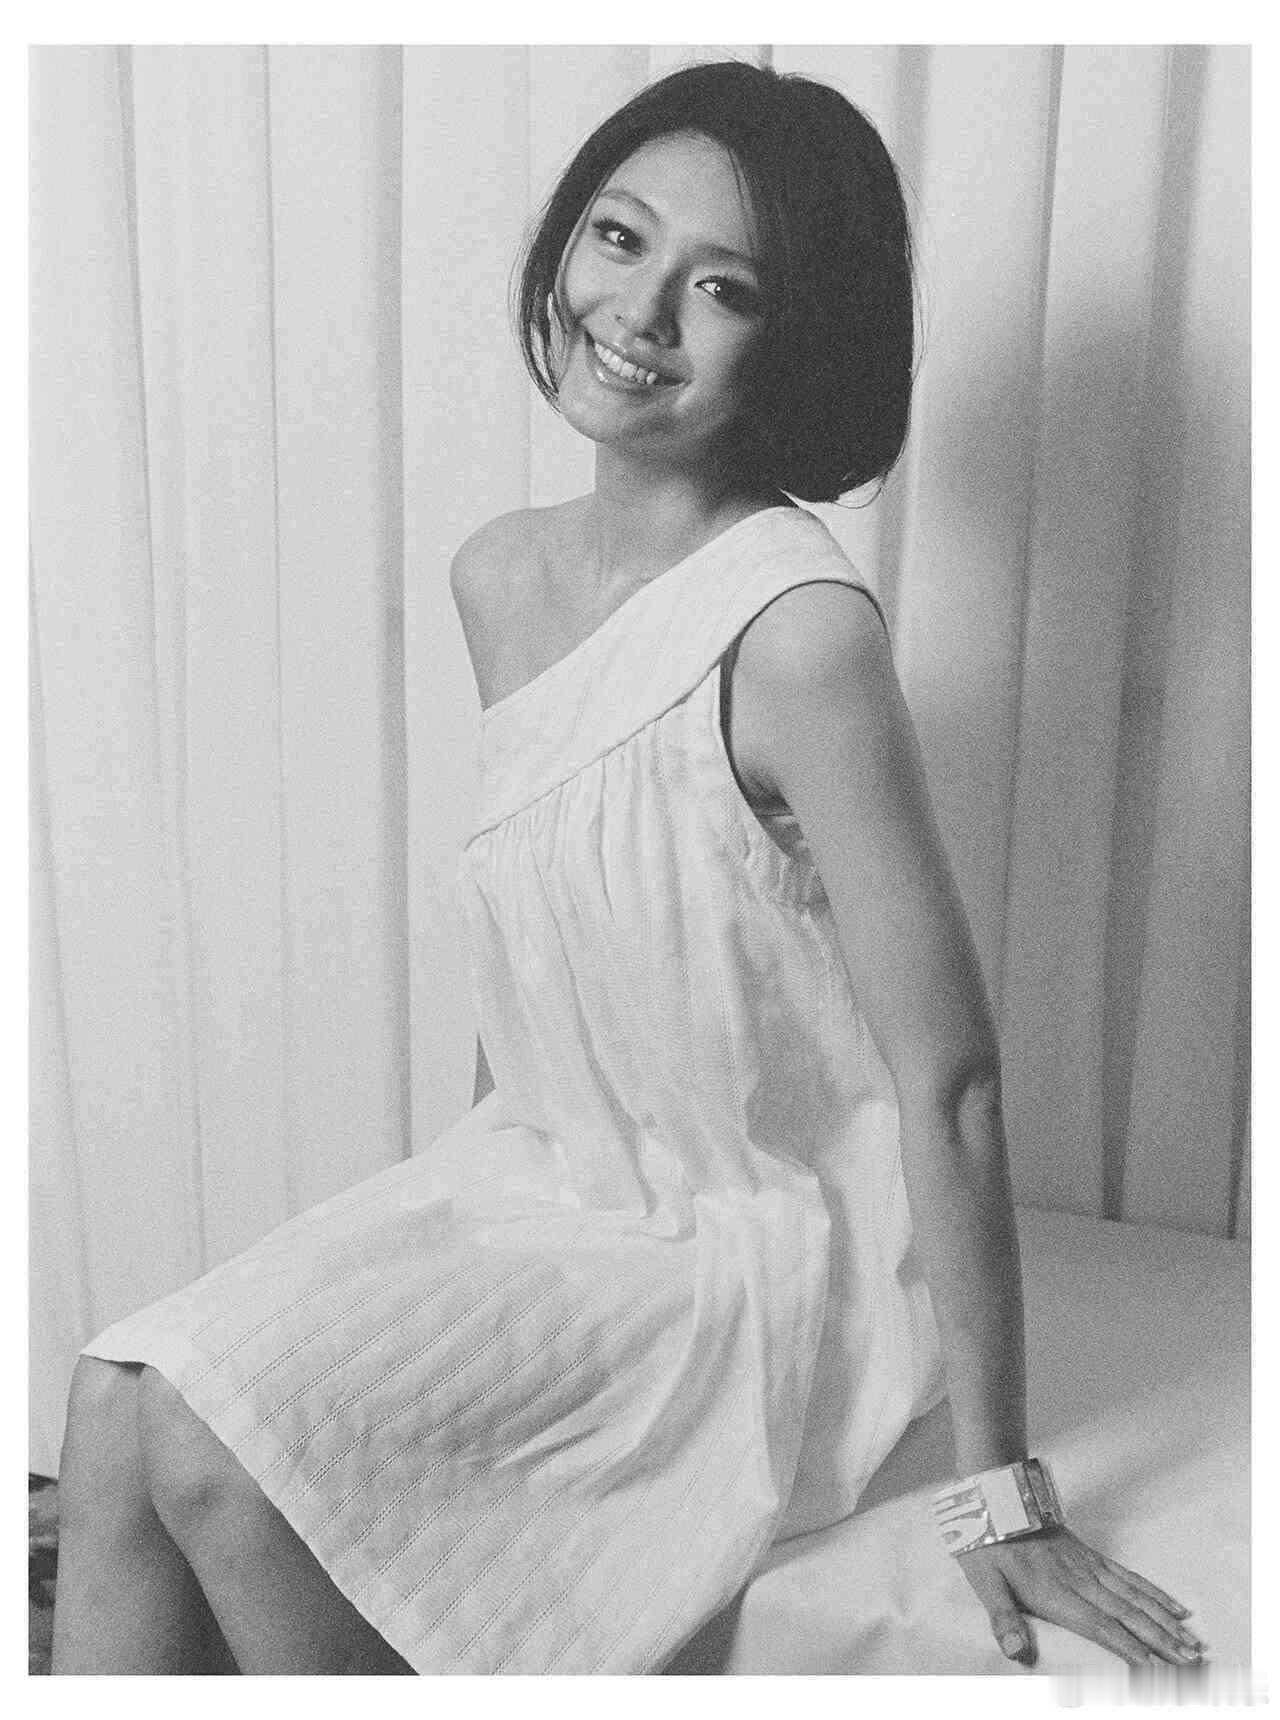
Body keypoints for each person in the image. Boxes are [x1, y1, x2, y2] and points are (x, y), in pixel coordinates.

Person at [51, 59, 1202, 1676]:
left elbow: (950, 1081)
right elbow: (548, 923)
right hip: (549, 1173)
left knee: (212, 1453)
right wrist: (431, 1223)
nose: (641, 313)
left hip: (742, 1249)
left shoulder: (797, 635)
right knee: (118, 1397)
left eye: (724, 288)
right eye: (619, 237)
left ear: (796, 343)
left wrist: (998, 1495)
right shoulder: (500, 575)